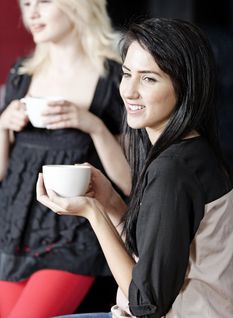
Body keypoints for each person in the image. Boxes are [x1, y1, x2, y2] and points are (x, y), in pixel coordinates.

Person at [37, 18, 233, 318]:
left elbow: (146, 303)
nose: (128, 91)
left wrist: (93, 213)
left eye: (148, 79)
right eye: (127, 74)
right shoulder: (191, 151)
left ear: (185, 87)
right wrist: (112, 204)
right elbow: (151, 257)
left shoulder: (173, 171)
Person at [0, 0, 131, 317]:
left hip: (76, 235)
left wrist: (93, 126)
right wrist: (2, 127)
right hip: (13, 232)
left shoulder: (115, 76)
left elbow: (131, 181)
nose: (32, 12)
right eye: (27, 2)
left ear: (76, 1)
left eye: (45, 0)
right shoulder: (21, 75)